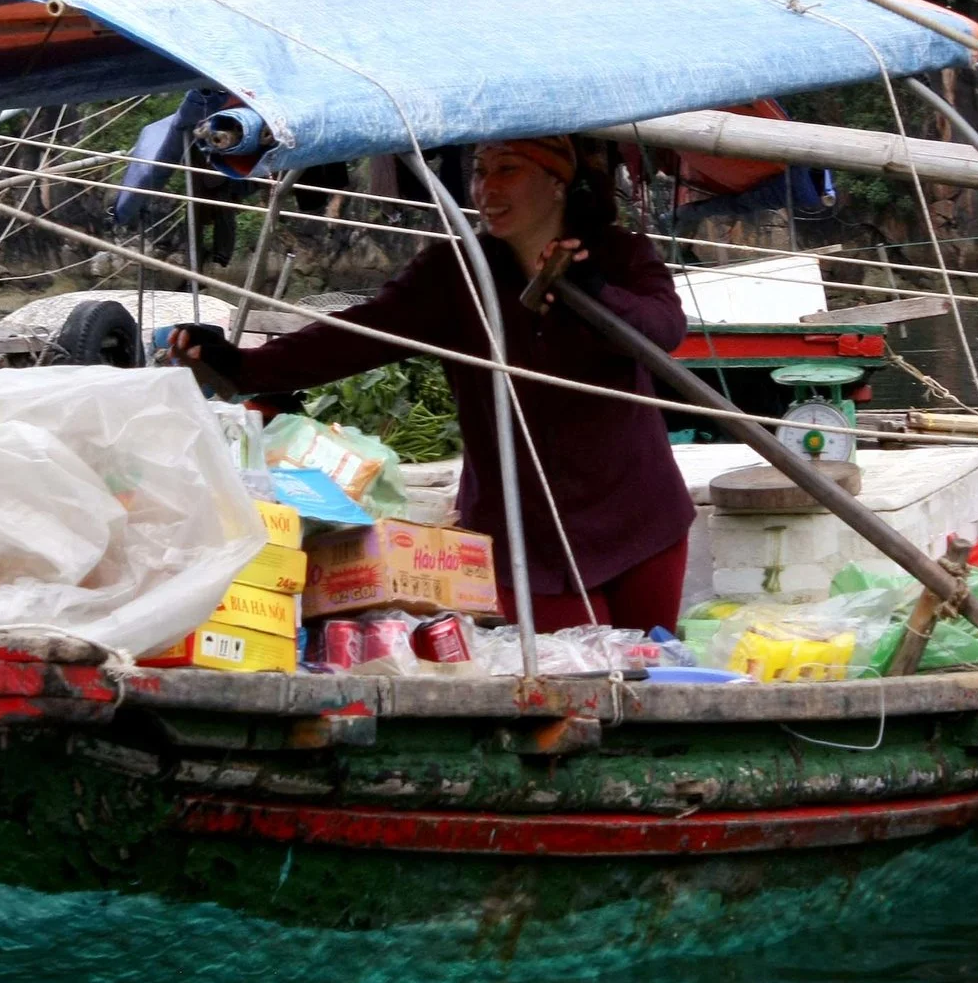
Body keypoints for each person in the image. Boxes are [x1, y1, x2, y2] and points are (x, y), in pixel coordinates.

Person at [172, 135, 696, 633]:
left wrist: (596, 294)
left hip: (638, 520)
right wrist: (239, 366)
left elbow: (664, 331)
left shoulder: (619, 255)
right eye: (480, 173)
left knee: (654, 678)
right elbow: (357, 336)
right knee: (571, 683)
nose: (487, 190)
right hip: (523, 536)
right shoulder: (453, 273)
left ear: (557, 181)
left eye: (507, 171)